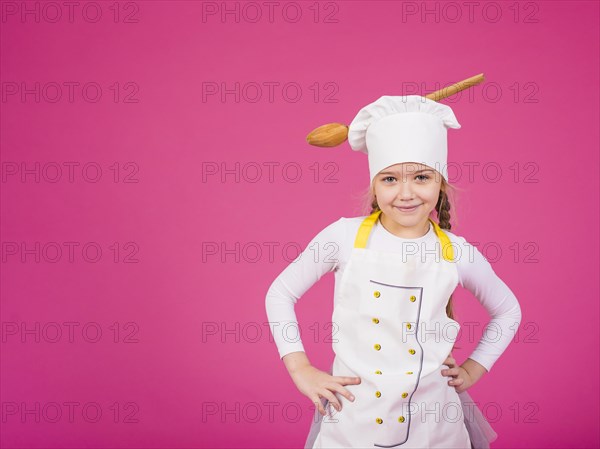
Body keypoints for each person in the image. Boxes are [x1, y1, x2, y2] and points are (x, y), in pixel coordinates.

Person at [265, 95, 522, 449]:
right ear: (374, 184)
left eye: (421, 177)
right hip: (354, 422)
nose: (405, 193)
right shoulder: (343, 237)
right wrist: (301, 370)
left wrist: (473, 369)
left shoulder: (457, 252)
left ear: (441, 183)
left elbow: (508, 310)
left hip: (434, 424)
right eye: (389, 179)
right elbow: (280, 293)